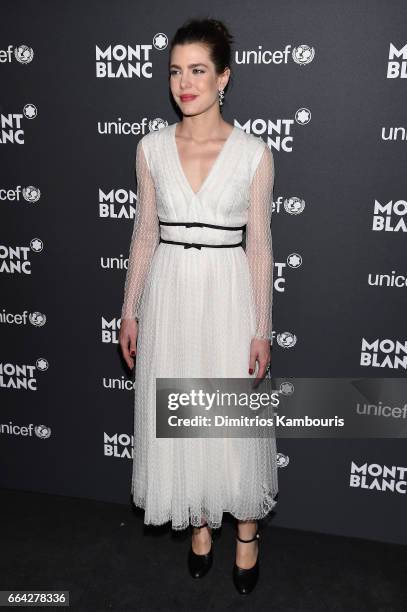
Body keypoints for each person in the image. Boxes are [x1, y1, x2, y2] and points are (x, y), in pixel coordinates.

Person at [119, 17, 278, 596]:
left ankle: (247, 535)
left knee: (230, 420)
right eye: (175, 72)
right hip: (171, 290)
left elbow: (259, 245)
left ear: (223, 78)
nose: (184, 84)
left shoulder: (254, 154)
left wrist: (263, 328)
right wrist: (130, 309)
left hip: (227, 290)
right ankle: (201, 524)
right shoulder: (152, 147)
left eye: (198, 71)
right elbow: (142, 235)